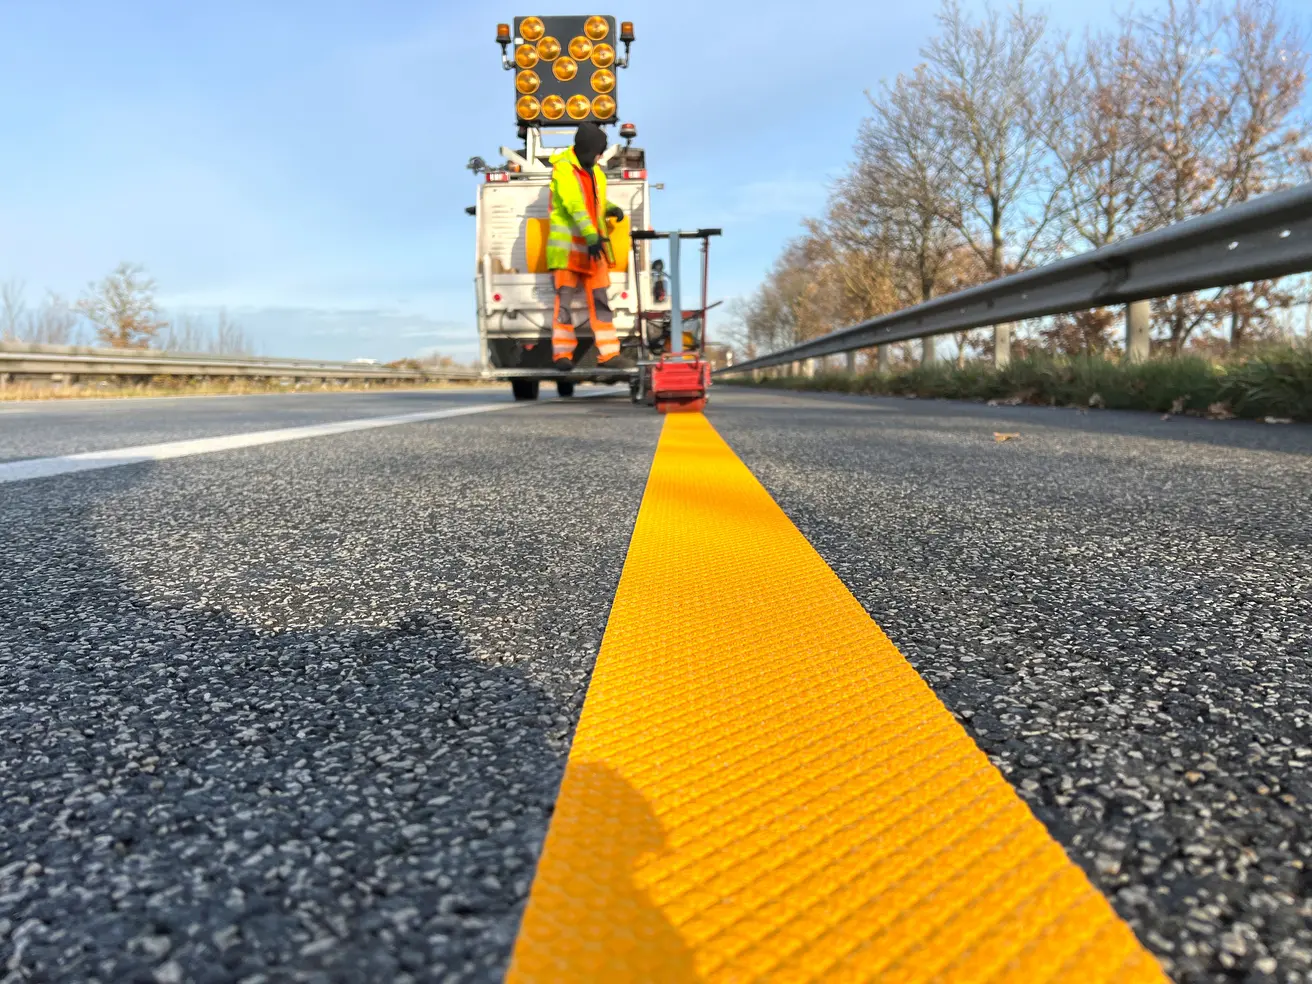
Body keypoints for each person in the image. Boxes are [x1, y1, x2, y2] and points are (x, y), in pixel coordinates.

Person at [547, 121, 625, 371]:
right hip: (568, 250)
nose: (601, 156)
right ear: (587, 150)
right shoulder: (563, 170)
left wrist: (610, 207)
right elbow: (575, 205)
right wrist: (591, 236)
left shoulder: (596, 171)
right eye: (598, 152)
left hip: (593, 251)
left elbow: (595, 200)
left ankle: (610, 354)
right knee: (564, 304)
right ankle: (562, 355)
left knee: (601, 300)